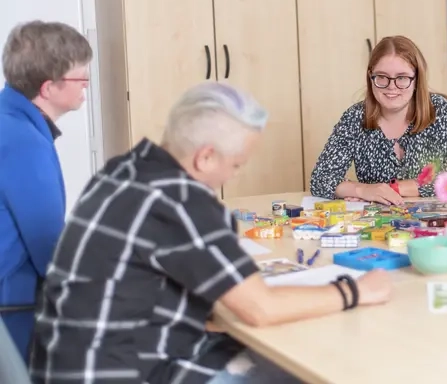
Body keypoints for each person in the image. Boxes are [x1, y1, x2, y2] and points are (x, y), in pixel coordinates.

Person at [29, 82, 392, 383]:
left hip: (66, 362)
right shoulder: (180, 199)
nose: (233, 176)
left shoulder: (124, 169)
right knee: (307, 371)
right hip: (122, 372)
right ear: (204, 157)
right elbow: (260, 308)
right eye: (235, 165)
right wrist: (355, 290)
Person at [0, 20, 92, 360]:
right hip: (11, 303)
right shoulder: (24, 141)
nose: (86, 84)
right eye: (80, 77)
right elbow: (47, 244)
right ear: (48, 88)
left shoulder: (9, 117)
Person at [309, 35, 447, 205]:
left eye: (402, 77)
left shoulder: (438, 110)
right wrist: (363, 190)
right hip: (377, 224)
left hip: (433, 221)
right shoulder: (355, 117)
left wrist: (395, 188)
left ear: (417, 79)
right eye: (382, 76)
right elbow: (320, 179)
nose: (392, 86)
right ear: (371, 77)